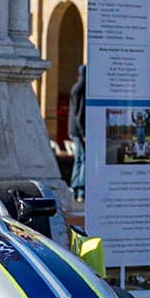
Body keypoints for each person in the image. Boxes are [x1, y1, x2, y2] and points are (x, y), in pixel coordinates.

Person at [68, 63, 87, 201]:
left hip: (74, 129)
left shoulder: (76, 88)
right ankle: (80, 190)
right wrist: (84, 132)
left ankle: (75, 188)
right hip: (78, 130)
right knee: (83, 159)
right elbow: (79, 114)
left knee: (79, 159)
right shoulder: (81, 89)